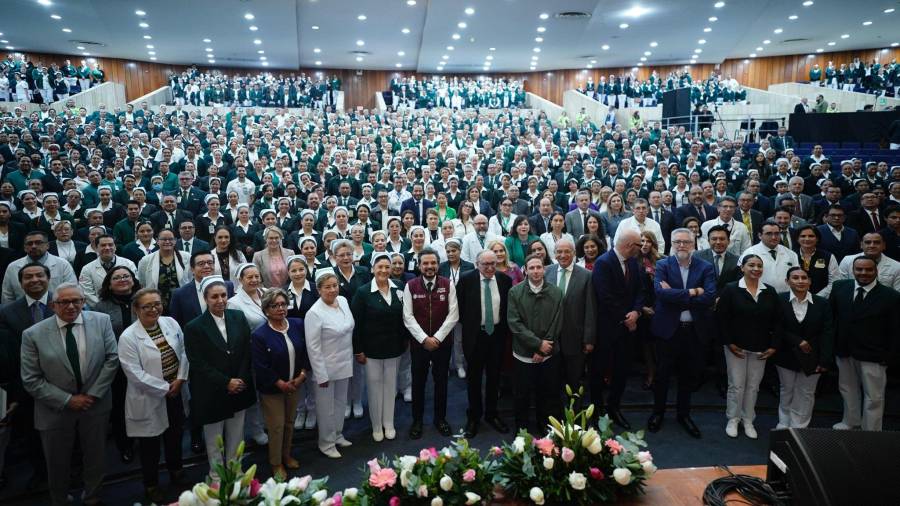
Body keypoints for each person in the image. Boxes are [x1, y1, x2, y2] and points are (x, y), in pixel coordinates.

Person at [20, 283, 119, 506]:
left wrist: (93, 395)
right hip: (54, 410)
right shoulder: (33, 335)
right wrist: (67, 400)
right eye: (64, 302)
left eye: (77, 301)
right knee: (57, 462)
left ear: (84, 302)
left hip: (96, 403)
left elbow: (112, 359)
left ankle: (93, 495)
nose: (71, 306)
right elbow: (31, 379)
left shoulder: (101, 322)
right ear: (53, 305)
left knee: (95, 456)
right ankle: (59, 499)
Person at [117, 288, 188, 503]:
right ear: (136, 309)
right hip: (149, 398)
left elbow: (184, 352)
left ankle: (176, 471)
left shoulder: (170, 323)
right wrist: (165, 388)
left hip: (175, 392)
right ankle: (151, 485)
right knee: (150, 447)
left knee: (175, 436)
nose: (153, 309)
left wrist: (180, 379)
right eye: (146, 306)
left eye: (157, 303)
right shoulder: (129, 337)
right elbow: (134, 374)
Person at [183, 277, 257, 478]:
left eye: (223, 295)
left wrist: (240, 380)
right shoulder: (194, 327)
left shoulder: (238, 317)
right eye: (214, 296)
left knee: (236, 434)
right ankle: (216, 476)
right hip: (212, 391)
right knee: (214, 438)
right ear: (205, 298)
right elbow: (198, 363)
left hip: (239, 386)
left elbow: (246, 352)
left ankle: (236, 471)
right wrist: (226, 382)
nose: (220, 300)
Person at [647, 228, 717, 438]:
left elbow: (710, 297)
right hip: (668, 331)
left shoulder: (705, 267)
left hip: (693, 331)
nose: (681, 246)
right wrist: (693, 292)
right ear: (671, 243)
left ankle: (683, 415)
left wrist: (675, 294)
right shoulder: (662, 264)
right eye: (677, 242)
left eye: (686, 242)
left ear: (694, 243)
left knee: (688, 376)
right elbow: (660, 293)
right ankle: (658, 413)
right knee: (662, 376)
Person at [830, 256, 900, 431]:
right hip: (844, 350)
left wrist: (889, 356)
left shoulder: (891, 296)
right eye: (859, 269)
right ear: (853, 270)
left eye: (868, 269)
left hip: (874, 354)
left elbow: (896, 330)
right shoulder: (840, 288)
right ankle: (850, 421)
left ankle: (871, 431)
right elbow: (832, 320)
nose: (863, 273)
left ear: (876, 271)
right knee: (847, 389)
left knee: (874, 397)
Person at [0, 263, 54, 490]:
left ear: (48, 278)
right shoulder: (7, 312)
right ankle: (41, 473)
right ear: (20, 283)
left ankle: (71, 472)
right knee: (32, 433)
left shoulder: (64, 303)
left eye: (39, 275)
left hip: (64, 380)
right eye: (28, 277)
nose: (34, 280)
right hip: (26, 384)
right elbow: (8, 356)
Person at [716, 254, 781, 439]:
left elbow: (777, 322)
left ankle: (748, 420)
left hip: (761, 347)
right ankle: (733, 419)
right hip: (736, 346)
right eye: (751, 265)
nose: (755, 269)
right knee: (736, 385)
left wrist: (773, 346)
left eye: (759, 266)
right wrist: (729, 343)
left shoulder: (769, 291)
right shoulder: (731, 289)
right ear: (742, 268)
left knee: (753, 386)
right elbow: (722, 319)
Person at [250, 289, 310, 479]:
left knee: (290, 423)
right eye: (275, 305)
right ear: (266, 309)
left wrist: (302, 375)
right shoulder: (260, 335)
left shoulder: (297, 324)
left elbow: (305, 353)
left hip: (295, 384)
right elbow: (261, 366)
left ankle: (286, 455)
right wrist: (280, 383)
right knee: (276, 426)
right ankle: (275, 463)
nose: (280, 308)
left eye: (283, 304)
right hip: (272, 389)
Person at [402, 247, 459, 439]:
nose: (429, 266)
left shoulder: (447, 284)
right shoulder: (410, 286)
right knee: (418, 383)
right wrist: (424, 339)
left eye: (433, 263)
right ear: (419, 265)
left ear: (438, 264)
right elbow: (407, 317)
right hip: (419, 345)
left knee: (441, 382)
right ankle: (417, 421)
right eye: (425, 263)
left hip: (443, 344)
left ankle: (440, 419)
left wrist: (437, 338)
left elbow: (453, 315)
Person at [591, 229, 644, 430]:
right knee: (598, 372)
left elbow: (641, 291)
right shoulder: (604, 263)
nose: (642, 248)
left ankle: (614, 408)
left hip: (628, 330)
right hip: (606, 330)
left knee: (622, 371)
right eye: (639, 244)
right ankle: (596, 411)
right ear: (630, 245)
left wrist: (637, 312)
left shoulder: (633, 263)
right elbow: (605, 297)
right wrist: (626, 317)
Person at [351, 254, 406, 442]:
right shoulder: (363, 292)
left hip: (394, 347)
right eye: (379, 266)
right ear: (373, 268)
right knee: (374, 388)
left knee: (391, 387)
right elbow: (356, 324)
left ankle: (388, 422)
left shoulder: (400, 288)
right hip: (370, 350)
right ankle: (376, 425)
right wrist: (358, 350)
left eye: (387, 267)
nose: (383, 270)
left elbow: (405, 318)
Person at [457, 249, 512, 439]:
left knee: (494, 377)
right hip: (475, 336)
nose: (489, 268)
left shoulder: (505, 280)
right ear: (477, 264)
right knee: (473, 379)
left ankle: (492, 414)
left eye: (492, 264)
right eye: (485, 264)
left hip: (497, 335)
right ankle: (474, 416)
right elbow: (460, 307)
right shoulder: (466, 280)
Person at [508, 254, 563, 433]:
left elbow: (557, 321)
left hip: (548, 355)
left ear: (544, 269)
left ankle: (543, 426)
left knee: (546, 393)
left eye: (539, 267)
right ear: (525, 270)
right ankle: (521, 429)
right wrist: (538, 344)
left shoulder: (556, 292)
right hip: (523, 355)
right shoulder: (515, 292)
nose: (536, 271)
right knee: (521, 395)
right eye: (531, 268)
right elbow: (515, 324)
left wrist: (544, 348)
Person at [92, 265, 142, 463]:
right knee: (121, 406)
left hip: (145, 361)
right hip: (117, 366)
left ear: (133, 280)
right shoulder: (100, 307)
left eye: (126, 276)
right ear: (109, 285)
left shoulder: (143, 300)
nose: (122, 279)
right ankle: (125, 445)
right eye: (117, 277)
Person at [304, 269, 355, 458]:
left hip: (345, 362)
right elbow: (313, 347)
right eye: (327, 287)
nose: (333, 290)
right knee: (326, 409)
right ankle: (326, 443)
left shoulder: (343, 301)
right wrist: (320, 374)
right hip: (326, 367)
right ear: (319, 290)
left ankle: (338, 434)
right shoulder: (314, 313)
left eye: (335, 285)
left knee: (341, 403)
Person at [774, 267, 833, 430]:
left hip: (813, 356)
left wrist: (825, 359)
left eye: (804, 278)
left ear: (810, 281)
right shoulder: (779, 300)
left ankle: (799, 425)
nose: (800, 281)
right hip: (786, 354)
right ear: (787, 282)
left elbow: (828, 332)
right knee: (787, 389)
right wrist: (797, 341)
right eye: (795, 278)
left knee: (806, 392)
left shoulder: (822, 303)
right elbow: (776, 327)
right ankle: (784, 422)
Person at [543, 238, 595, 397]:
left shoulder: (586, 276)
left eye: (567, 251)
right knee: (551, 385)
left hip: (575, 340)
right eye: (559, 251)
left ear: (574, 253)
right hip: (550, 340)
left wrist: (589, 339)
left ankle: (574, 419)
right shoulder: (546, 272)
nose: (563, 255)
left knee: (574, 385)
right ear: (554, 253)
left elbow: (590, 309)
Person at [2, 230, 77, 303]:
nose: (34, 246)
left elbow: (72, 290)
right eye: (29, 243)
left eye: (38, 243)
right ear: (24, 247)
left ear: (47, 245)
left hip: (57, 310)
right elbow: (7, 297)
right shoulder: (13, 267)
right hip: (21, 312)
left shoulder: (62, 264)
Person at [136, 228, 191, 309]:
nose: (167, 242)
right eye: (164, 239)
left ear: (175, 241)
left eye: (170, 239)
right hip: (156, 304)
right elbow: (143, 282)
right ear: (157, 241)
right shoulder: (146, 260)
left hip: (182, 302)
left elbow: (190, 278)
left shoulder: (186, 257)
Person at [740, 221, 799, 293]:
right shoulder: (749, 252)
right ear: (760, 235)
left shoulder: (790, 253)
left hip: (786, 297)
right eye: (769, 234)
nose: (774, 237)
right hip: (759, 296)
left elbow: (796, 276)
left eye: (777, 234)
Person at [79, 234, 137, 305]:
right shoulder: (87, 269)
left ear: (115, 247)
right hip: (99, 308)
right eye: (103, 245)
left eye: (110, 245)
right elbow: (87, 293)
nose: (107, 248)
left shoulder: (128, 264)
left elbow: (135, 286)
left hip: (127, 304)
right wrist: (103, 307)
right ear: (96, 248)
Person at [795, 224, 839, 296]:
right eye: (803, 236)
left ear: (817, 238)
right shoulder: (790, 255)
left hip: (822, 299)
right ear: (797, 239)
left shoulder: (828, 256)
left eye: (811, 236)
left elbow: (835, 281)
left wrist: (817, 297)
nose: (807, 239)